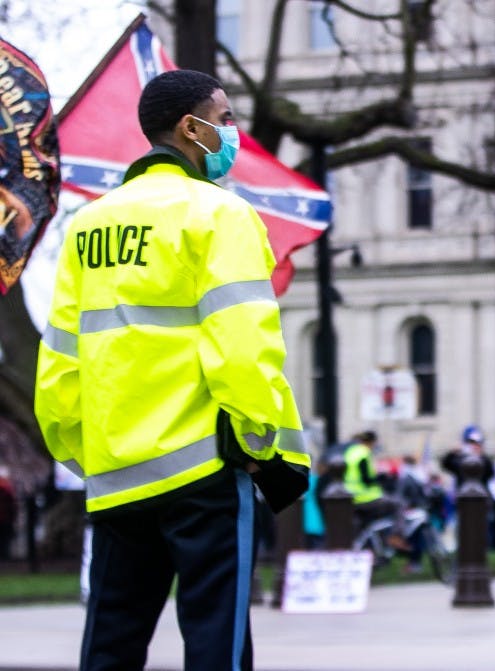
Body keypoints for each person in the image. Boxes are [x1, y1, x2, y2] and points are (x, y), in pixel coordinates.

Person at [33, 69, 310, 670]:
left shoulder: (87, 226)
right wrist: (262, 443)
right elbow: (245, 346)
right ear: (192, 127)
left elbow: (59, 363)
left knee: (110, 643)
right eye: (227, 118)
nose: (233, 131)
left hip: (114, 475)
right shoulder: (220, 215)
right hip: (203, 470)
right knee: (217, 644)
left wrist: (85, 454)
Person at [340, 430, 409, 550]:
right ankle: (397, 536)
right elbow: (366, 478)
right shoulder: (364, 453)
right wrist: (381, 479)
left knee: (364, 527)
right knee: (399, 504)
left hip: (350, 497)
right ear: (372, 442)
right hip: (365, 497)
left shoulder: (350, 452)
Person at [0, 465, 15, 560]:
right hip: (5, 519)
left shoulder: (7, 490)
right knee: (5, 540)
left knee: (4, 540)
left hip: (5, 519)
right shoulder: (7, 490)